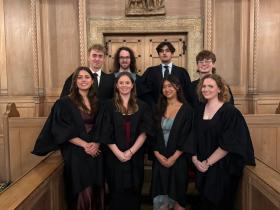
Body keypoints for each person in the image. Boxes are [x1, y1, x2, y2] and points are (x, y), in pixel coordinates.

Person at [32, 66, 104, 210]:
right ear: (74, 81)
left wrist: (96, 144)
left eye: (87, 77)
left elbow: (103, 126)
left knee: (97, 189)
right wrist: (85, 145)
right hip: (76, 153)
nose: (83, 80)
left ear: (92, 81)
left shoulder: (98, 102)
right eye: (80, 77)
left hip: (96, 152)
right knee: (83, 191)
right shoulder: (64, 103)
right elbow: (61, 130)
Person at [191, 74, 255, 210]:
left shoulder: (230, 112)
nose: (206, 89)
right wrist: (195, 160)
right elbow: (191, 137)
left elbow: (229, 143)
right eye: (203, 86)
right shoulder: (198, 111)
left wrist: (207, 163)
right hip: (201, 166)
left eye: (210, 86)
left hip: (222, 167)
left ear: (219, 89)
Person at [99, 72, 154, 210]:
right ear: (116, 86)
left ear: (132, 85)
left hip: (135, 157)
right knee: (116, 193)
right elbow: (106, 131)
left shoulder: (142, 106)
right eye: (121, 83)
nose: (124, 85)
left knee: (134, 192)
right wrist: (118, 153)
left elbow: (145, 132)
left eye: (127, 83)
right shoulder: (107, 106)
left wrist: (130, 152)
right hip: (114, 157)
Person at [151, 75, 194, 210]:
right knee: (161, 201)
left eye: (170, 86)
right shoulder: (157, 108)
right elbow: (151, 135)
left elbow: (188, 137)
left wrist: (173, 158)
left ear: (177, 87)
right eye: (164, 87)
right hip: (160, 160)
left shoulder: (187, 110)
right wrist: (158, 156)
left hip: (178, 161)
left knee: (177, 201)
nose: (167, 89)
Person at [139, 41, 194, 107]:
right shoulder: (151, 72)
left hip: (177, 110)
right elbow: (143, 91)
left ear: (172, 54)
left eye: (167, 51)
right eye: (161, 51)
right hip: (156, 111)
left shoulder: (181, 72)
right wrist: (153, 105)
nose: (164, 53)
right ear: (159, 54)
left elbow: (188, 92)